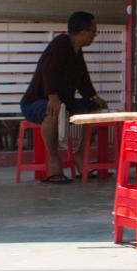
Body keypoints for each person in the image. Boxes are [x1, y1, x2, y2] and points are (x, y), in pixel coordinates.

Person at [19, 11, 106, 184]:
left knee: (99, 110)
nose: (94, 35)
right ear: (82, 31)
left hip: (65, 103)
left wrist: (95, 97)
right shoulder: (60, 44)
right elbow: (47, 70)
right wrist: (52, 97)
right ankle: (53, 161)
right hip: (36, 102)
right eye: (93, 31)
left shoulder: (77, 50)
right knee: (51, 111)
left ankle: (81, 154)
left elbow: (83, 79)